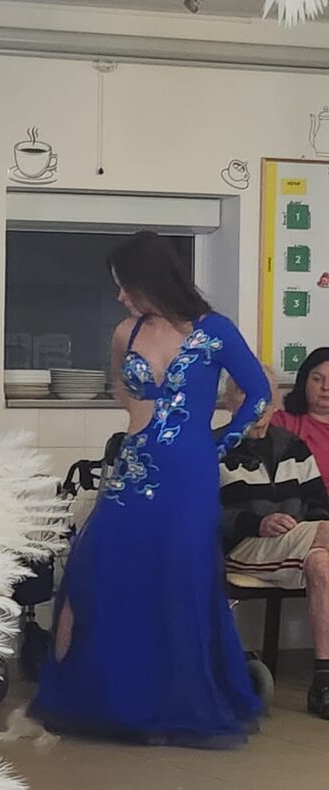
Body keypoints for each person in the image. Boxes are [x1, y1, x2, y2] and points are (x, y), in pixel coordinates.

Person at [30, 229, 271, 746]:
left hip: (190, 473)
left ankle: (178, 700)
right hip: (134, 468)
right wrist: (147, 432)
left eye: (126, 285)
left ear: (154, 281)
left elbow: (258, 393)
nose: (120, 296)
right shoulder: (127, 332)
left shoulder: (215, 331)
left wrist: (216, 443)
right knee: (95, 568)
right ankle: (104, 695)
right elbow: (125, 393)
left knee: (179, 577)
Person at [220, 368, 329, 719]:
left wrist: (304, 526)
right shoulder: (213, 449)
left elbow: (317, 503)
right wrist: (258, 523)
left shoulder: (294, 447)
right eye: (244, 391)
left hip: (296, 544)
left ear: (276, 401)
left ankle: (323, 682)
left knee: (322, 563)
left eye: (265, 393)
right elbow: (202, 515)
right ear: (228, 400)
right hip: (242, 548)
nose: (258, 401)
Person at [273, 347, 329, 485]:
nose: (326, 387)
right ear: (304, 382)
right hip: (301, 497)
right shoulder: (281, 422)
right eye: (317, 379)